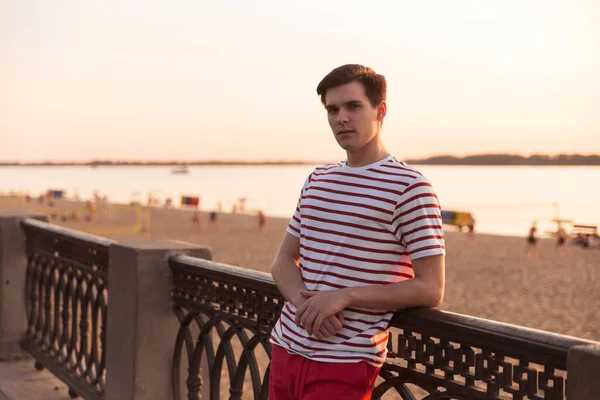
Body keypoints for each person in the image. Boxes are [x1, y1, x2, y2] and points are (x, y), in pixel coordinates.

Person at [269, 64, 446, 399]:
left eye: (353, 106)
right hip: (285, 347)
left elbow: (431, 287)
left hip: (346, 360)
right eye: (332, 110)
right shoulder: (318, 179)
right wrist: (305, 306)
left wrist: (345, 296)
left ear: (380, 111)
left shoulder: (410, 187)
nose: (341, 118)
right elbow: (282, 261)